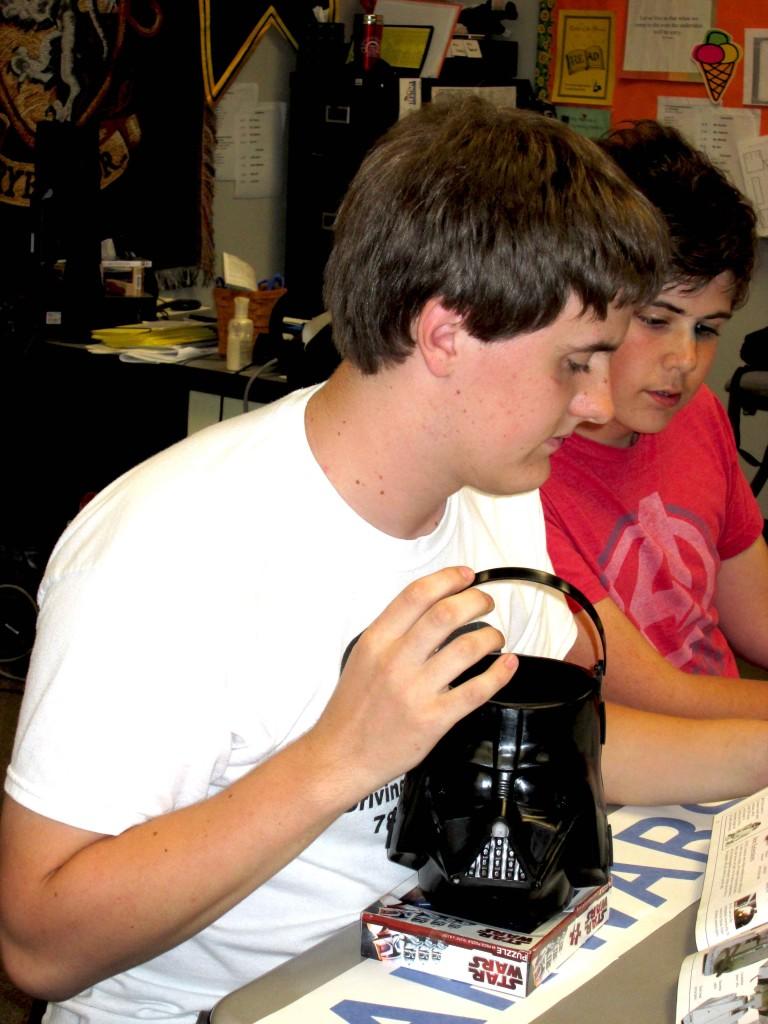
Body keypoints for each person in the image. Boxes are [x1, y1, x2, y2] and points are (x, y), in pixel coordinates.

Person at [2, 98, 768, 1024]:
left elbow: (567, 745)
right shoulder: (166, 549)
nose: (599, 402)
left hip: (412, 972)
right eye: (576, 362)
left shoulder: (498, 493)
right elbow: (39, 944)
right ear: (446, 333)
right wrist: (341, 755)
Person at [542, 119, 768, 718]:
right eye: (657, 319)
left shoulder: (698, 416)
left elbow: (758, 615)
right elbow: (654, 697)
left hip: (730, 757)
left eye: (707, 329)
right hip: (635, 774)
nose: (686, 361)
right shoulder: (520, 470)